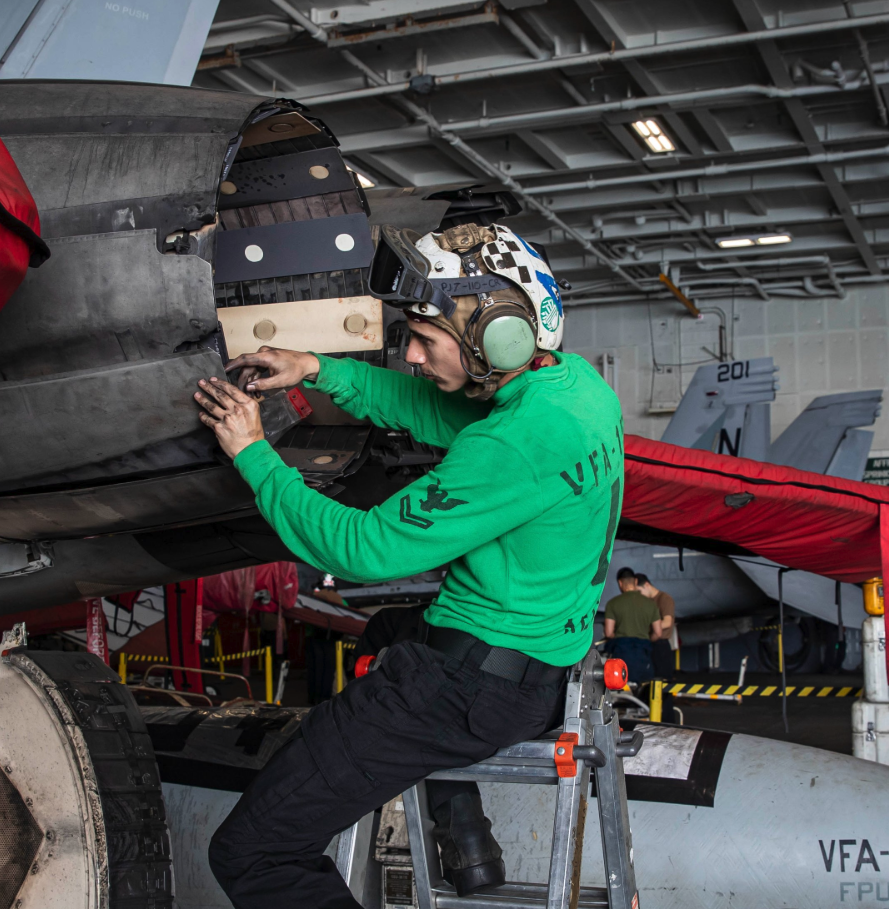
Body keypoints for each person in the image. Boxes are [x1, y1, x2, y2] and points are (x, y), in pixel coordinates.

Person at [193, 221, 624, 909]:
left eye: (425, 337)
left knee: (252, 850)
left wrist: (253, 453)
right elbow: (431, 409)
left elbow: (363, 550)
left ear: (496, 336)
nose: (413, 355)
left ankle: (442, 805)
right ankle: (467, 840)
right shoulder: (575, 389)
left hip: (465, 688)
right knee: (387, 633)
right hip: (543, 666)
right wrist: (318, 368)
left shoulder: (513, 444)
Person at [603, 568, 662, 683]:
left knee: (620, 686)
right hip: (643, 653)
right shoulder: (651, 604)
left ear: (620, 583)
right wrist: (647, 639)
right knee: (644, 688)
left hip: (621, 652)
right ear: (635, 581)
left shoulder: (612, 603)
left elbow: (609, 633)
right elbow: (658, 633)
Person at [635, 573, 676, 678]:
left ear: (647, 585)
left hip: (661, 646)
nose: (639, 595)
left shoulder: (664, 598)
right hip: (649, 643)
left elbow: (667, 622)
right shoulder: (646, 602)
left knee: (663, 680)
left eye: (640, 591)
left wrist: (646, 628)